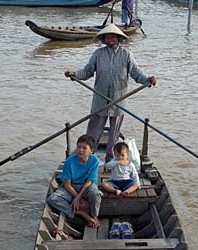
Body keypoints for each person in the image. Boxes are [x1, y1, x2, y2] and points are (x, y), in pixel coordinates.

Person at [64, 24, 156, 164]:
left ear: (119, 38)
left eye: (113, 36)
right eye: (107, 37)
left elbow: (136, 74)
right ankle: (87, 159)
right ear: (104, 39)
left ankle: (110, 161)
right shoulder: (98, 54)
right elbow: (87, 71)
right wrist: (74, 74)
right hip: (100, 100)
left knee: (113, 136)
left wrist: (148, 80)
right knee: (93, 133)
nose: (110, 39)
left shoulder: (126, 55)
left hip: (118, 101)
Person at [47, 135, 101, 228]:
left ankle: (94, 216)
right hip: (72, 186)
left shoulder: (94, 160)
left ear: (91, 151)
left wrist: (79, 197)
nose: (81, 150)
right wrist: (77, 197)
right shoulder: (69, 161)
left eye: (84, 148)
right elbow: (67, 184)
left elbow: (89, 182)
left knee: (95, 193)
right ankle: (82, 214)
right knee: (52, 199)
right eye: (79, 147)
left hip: (87, 187)